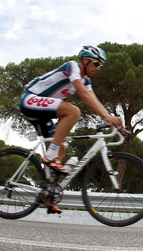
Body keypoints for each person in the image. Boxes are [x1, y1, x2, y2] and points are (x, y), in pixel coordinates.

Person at [19, 46, 124, 212]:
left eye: (100, 66)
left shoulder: (86, 81)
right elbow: (82, 94)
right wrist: (106, 117)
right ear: (85, 60)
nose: (98, 68)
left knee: (61, 147)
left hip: (42, 113)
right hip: (31, 99)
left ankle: (47, 194)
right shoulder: (72, 66)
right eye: (96, 64)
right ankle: (50, 158)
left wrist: (111, 118)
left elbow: (92, 98)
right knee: (73, 112)